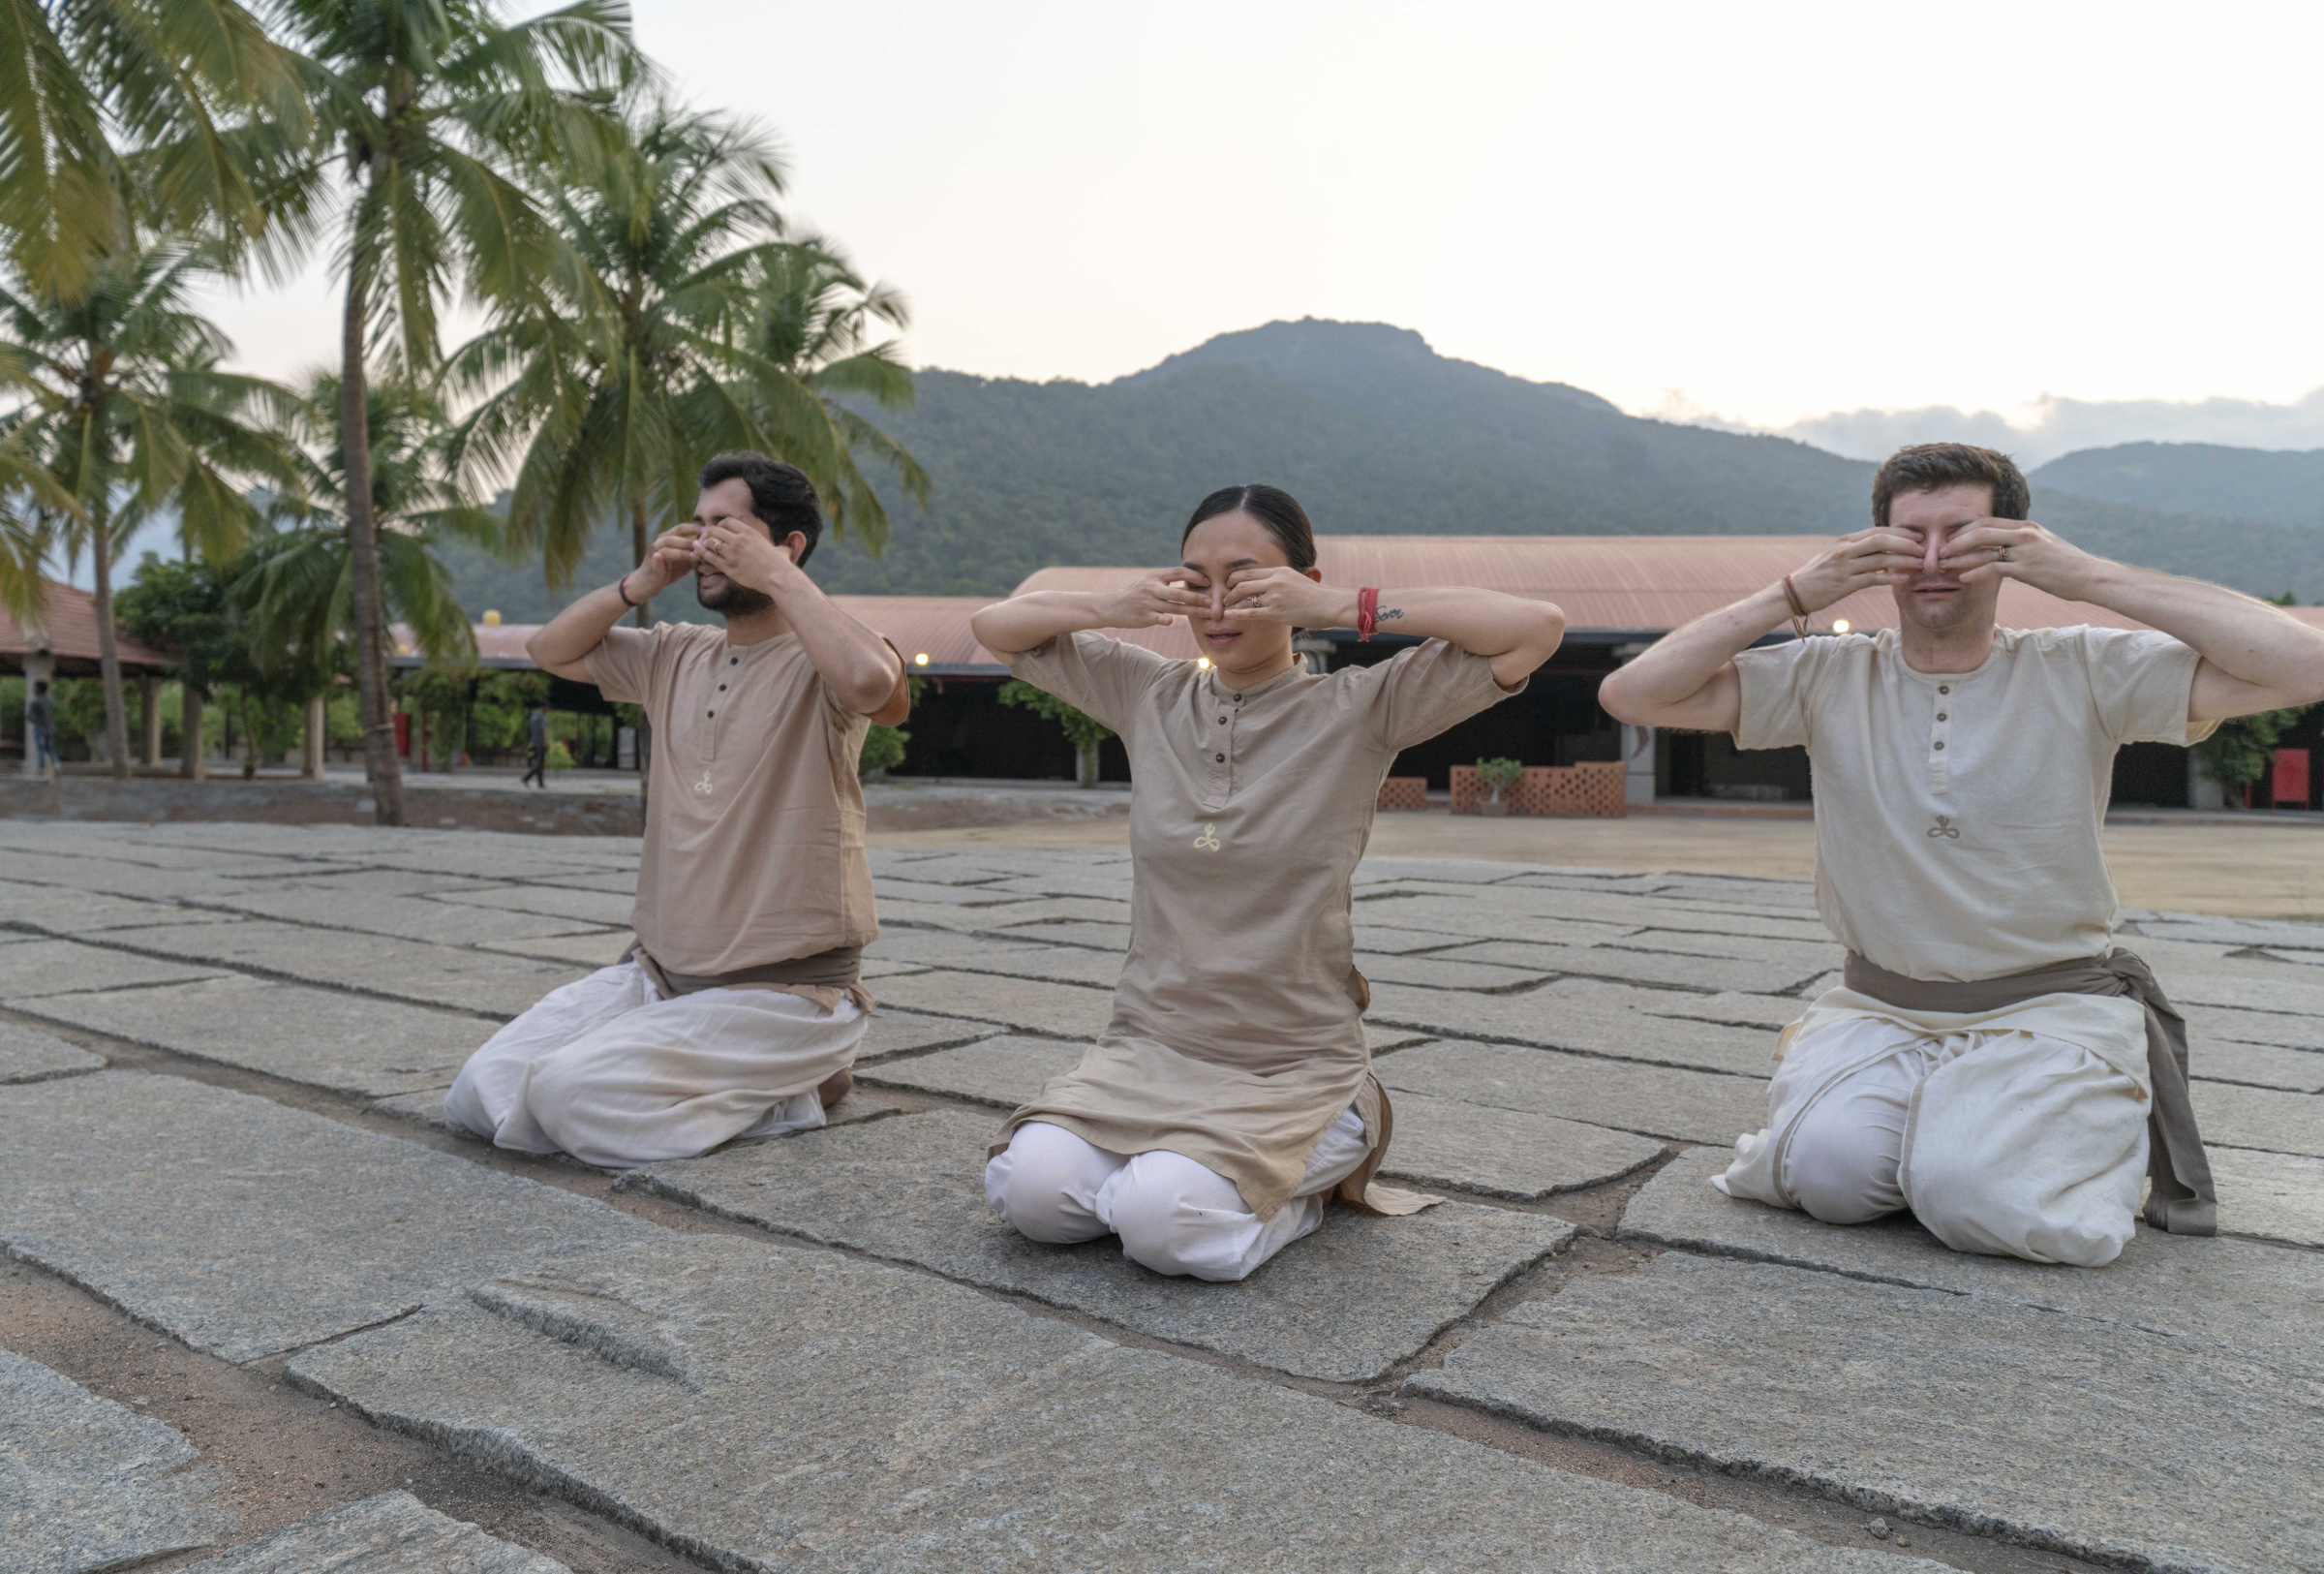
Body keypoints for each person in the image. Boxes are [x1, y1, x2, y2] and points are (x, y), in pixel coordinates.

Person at [1600, 442, 2324, 1266]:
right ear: (1877, 548)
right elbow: (1631, 693)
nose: (1936, 559)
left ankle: (2005, 1136)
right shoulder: (1827, 674)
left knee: (1972, 1195)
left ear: (2014, 541)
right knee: (1830, 1179)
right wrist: (1797, 591)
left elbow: (2310, 662)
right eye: (1912, 537)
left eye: (1964, 534)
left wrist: (2082, 574)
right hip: (1880, 1009)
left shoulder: (2082, 666)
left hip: (2045, 1008)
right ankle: (1957, 1133)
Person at [971, 484, 1565, 1281]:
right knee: (1027, 1194)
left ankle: (1301, 1187)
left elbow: (1536, 630)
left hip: (1291, 1061)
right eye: (1196, 578)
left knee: (1165, 1223)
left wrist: (1341, 605)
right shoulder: (1148, 693)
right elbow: (995, 630)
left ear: (1298, 580)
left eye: (1245, 577)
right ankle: (1187, 1175)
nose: (1218, 601)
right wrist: (1114, 601)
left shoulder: (1361, 707)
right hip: (1150, 1048)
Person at [444, 452, 910, 1167]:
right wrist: (641, 583)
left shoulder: (825, 659)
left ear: (789, 544)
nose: (704, 543)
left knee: (568, 1096)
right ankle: (778, 1094)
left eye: (727, 527)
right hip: (662, 976)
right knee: (481, 1091)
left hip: (789, 996)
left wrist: (780, 577)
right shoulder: (673, 655)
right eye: (698, 525)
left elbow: (874, 681)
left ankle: (802, 1082)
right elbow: (550, 650)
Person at [27, 679, 57, 776]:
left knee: (40, 749)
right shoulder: (50, 701)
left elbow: (30, 717)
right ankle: (57, 764)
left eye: (35, 688)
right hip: (50, 728)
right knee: (50, 748)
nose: (33, 689)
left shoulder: (35, 702)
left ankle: (40, 769)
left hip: (39, 729)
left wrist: (36, 721)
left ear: (38, 689)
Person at [520, 703, 549, 788]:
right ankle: (525, 778)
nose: (547, 711)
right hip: (540, 743)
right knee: (539, 763)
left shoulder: (533, 715)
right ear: (543, 707)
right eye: (547, 708)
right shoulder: (541, 716)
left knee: (538, 763)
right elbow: (542, 730)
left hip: (533, 742)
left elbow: (529, 728)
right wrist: (545, 743)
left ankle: (540, 784)